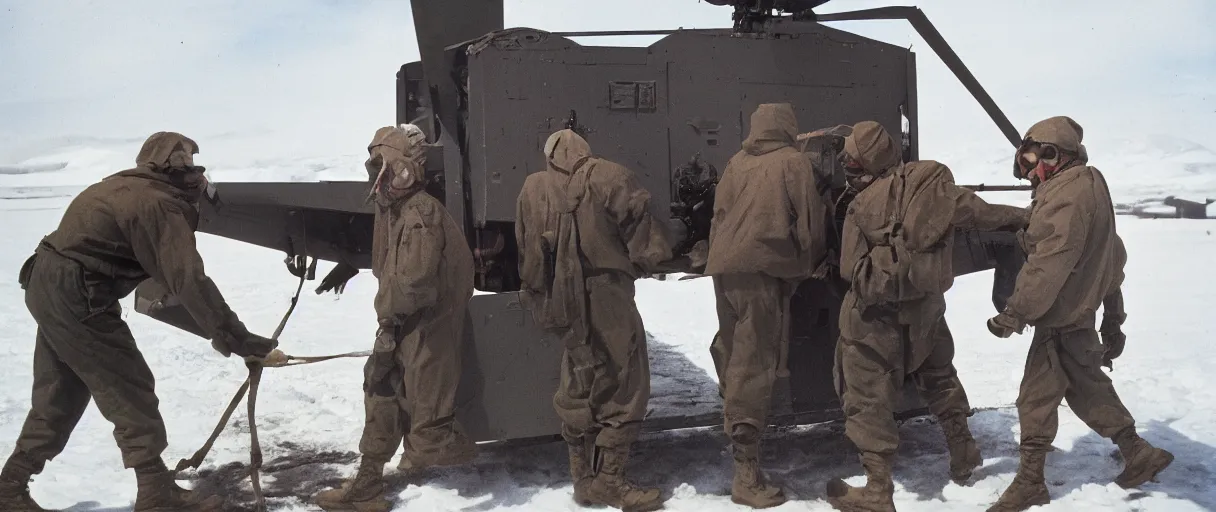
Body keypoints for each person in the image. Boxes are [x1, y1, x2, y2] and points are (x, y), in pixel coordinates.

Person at [0, 132, 278, 512]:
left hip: (47, 283)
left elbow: (162, 278)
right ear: (177, 168)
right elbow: (188, 280)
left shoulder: (123, 185)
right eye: (192, 169)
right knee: (129, 385)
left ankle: (10, 487)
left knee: (62, 390)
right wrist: (238, 338)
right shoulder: (160, 203)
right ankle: (155, 490)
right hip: (79, 290)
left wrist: (219, 333)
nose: (198, 178)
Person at [825, 121, 1029, 512]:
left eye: (850, 157)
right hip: (927, 309)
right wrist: (1025, 217)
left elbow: (851, 268)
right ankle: (963, 450)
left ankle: (877, 489)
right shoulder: (934, 189)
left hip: (874, 317)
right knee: (939, 375)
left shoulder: (859, 206)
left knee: (867, 394)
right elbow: (981, 213)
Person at [985, 116, 1174, 512]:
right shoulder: (1090, 187)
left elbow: (1048, 263)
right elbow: (1113, 257)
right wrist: (1112, 319)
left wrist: (1014, 313)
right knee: (1089, 388)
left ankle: (1031, 481)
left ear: (1054, 156)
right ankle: (1138, 452)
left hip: (1060, 314)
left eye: (1032, 161)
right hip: (1078, 314)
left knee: (1034, 400)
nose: (1029, 172)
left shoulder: (1066, 198)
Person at [315, 125, 477, 512]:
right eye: (373, 165)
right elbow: (391, 262)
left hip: (421, 325)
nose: (376, 174)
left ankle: (434, 452)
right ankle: (368, 484)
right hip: (400, 323)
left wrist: (388, 321)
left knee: (425, 424)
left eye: (382, 164)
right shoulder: (394, 209)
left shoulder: (420, 212)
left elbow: (415, 282)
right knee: (381, 391)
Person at [516, 128, 673, 512]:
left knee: (578, 377)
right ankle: (610, 481)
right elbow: (645, 243)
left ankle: (582, 479)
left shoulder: (533, 187)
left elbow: (526, 248)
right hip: (607, 295)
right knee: (625, 380)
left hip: (559, 299)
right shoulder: (611, 176)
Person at [703, 102, 829, 508]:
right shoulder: (794, 162)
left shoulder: (737, 161)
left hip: (726, 270)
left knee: (735, 348)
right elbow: (810, 224)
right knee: (755, 362)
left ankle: (736, 418)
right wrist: (813, 262)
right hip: (763, 270)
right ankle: (746, 475)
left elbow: (718, 215)